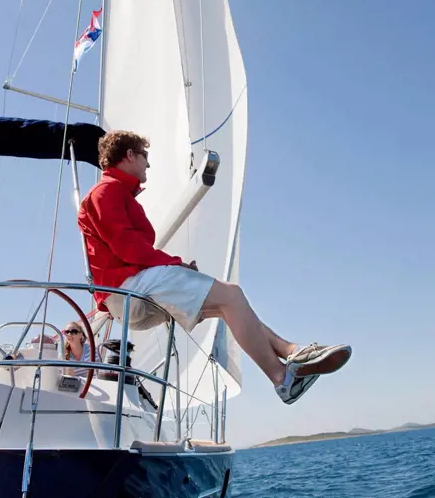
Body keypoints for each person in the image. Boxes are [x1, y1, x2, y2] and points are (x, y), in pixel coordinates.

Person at [78, 131, 352, 405]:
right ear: (129, 155)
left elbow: (129, 248)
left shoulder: (113, 193)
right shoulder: (106, 192)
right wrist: (176, 264)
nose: (147, 165)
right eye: (144, 156)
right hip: (129, 289)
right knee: (232, 295)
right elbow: (127, 246)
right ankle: (282, 377)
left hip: (131, 293)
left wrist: (177, 266)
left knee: (228, 306)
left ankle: (291, 352)